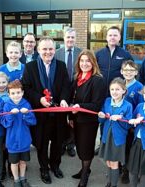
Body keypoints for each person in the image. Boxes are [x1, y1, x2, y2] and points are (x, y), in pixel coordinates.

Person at [22, 36, 70, 184]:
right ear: (38, 50)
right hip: (40, 115)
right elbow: (27, 88)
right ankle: (44, 169)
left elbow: (66, 86)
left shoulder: (61, 66)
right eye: (44, 49)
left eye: (50, 49)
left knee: (57, 142)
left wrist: (63, 99)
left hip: (58, 114)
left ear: (54, 50)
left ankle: (55, 166)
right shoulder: (30, 67)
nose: (48, 52)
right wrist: (39, 99)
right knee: (42, 144)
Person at [95, 26, 133, 159]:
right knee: (104, 119)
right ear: (106, 37)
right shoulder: (99, 53)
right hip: (103, 94)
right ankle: (103, 142)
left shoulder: (125, 54)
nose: (112, 37)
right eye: (110, 35)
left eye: (115, 35)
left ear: (119, 38)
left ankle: (118, 145)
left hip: (118, 94)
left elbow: (130, 72)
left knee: (119, 120)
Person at [70, 49, 106, 187]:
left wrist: (79, 106)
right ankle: (85, 169)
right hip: (77, 120)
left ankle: (85, 176)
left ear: (93, 63)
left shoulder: (97, 80)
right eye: (82, 61)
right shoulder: (76, 78)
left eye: (88, 61)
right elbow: (71, 98)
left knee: (86, 149)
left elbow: (96, 105)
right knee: (79, 147)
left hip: (89, 122)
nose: (84, 63)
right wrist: (71, 117)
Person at [98, 78, 132, 187]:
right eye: (112, 89)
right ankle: (109, 181)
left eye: (118, 89)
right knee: (108, 161)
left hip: (117, 138)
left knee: (114, 162)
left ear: (124, 91)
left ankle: (113, 184)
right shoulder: (107, 101)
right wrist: (101, 115)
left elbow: (128, 125)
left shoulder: (127, 105)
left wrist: (120, 118)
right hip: (106, 136)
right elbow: (101, 120)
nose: (114, 92)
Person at [1, 80, 36, 187]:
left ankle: (23, 178)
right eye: (13, 93)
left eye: (18, 92)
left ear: (22, 93)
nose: (16, 95)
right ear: (9, 94)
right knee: (14, 162)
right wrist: (11, 114)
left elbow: (33, 122)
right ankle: (16, 180)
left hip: (24, 139)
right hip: (12, 141)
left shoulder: (26, 104)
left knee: (23, 162)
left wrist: (26, 114)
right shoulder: (7, 106)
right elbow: (5, 124)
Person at [55, 27, 82, 157]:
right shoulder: (57, 53)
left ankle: (71, 145)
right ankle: (60, 144)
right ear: (64, 38)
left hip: (77, 91)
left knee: (73, 120)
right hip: (61, 93)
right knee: (60, 121)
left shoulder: (81, 53)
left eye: (72, 37)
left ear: (75, 39)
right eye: (68, 37)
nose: (70, 39)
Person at [0, 72, 11, 180]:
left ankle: (11, 167)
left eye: (3, 82)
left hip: (9, 126)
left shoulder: (10, 94)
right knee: (1, 149)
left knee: (9, 147)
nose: (1, 85)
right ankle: (2, 170)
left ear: (7, 82)